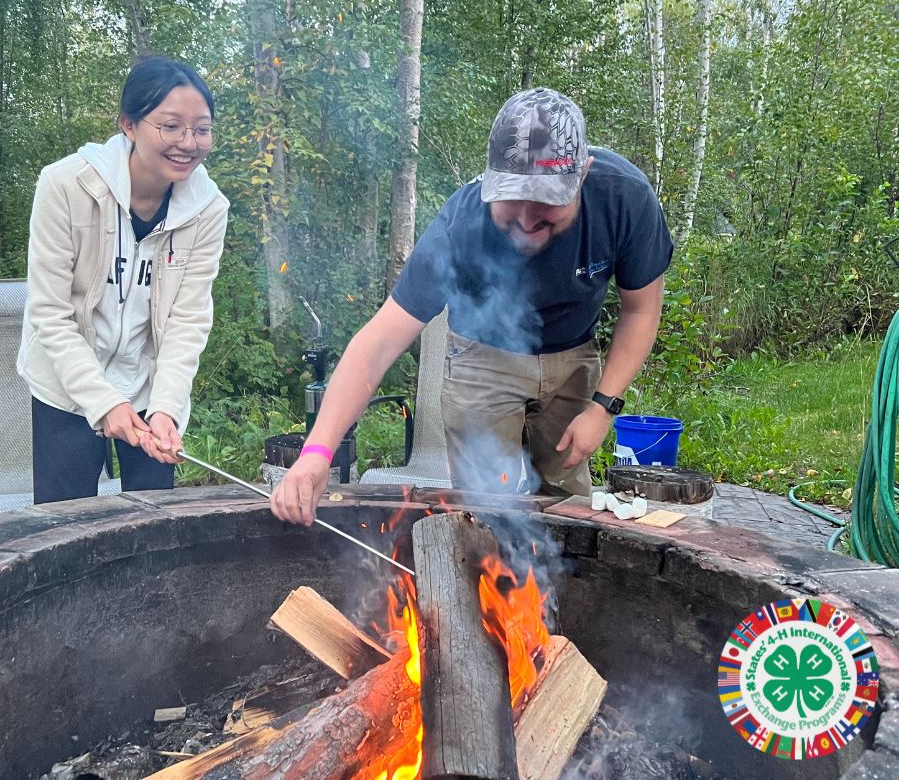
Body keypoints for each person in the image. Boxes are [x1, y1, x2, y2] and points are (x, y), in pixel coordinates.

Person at [270, 87, 672, 525]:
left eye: (545, 212)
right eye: (511, 207)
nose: (526, 229)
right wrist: (317, 452)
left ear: (583, 176)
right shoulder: (461, 223)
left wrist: (601, 407)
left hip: (574, 359)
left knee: (568, 510)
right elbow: (380, 341)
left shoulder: (623, 197)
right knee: (483, 513)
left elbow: (641, 310)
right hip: (481, 360)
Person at [17, 56, 229, 504]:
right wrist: (104, 402)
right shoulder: (66, 187)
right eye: (170, 126)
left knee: (153, 524)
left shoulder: (209, 208)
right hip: (66, 387)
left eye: (201, 129)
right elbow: (50, 315)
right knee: (64, 525)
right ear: (129, 125)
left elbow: (188, 320)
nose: (188, 143)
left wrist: (167, 407)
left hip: (151, 387)